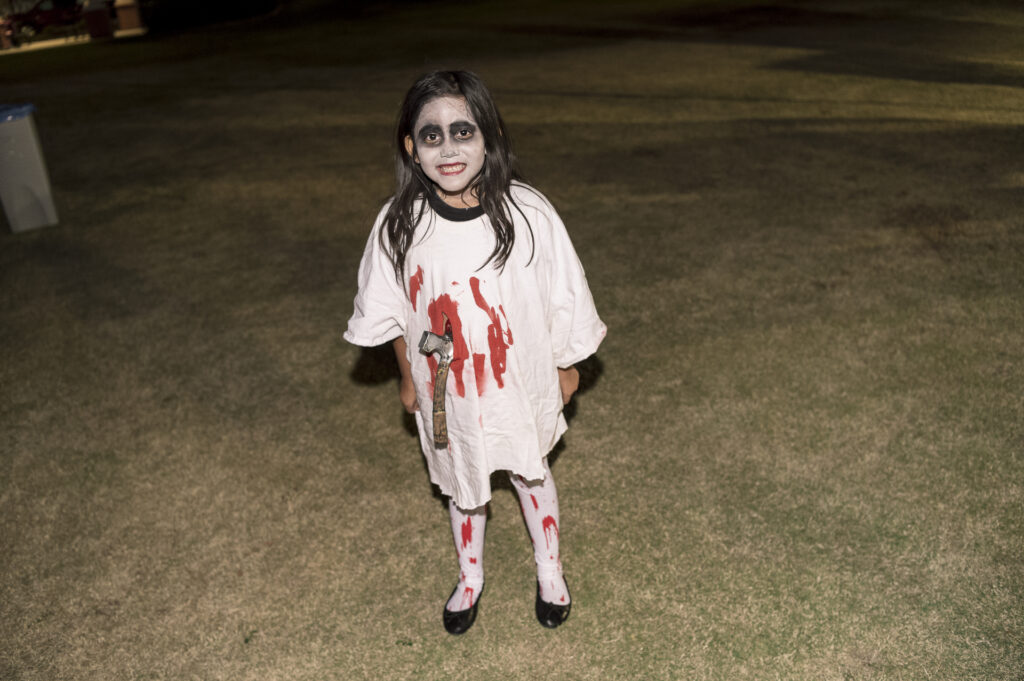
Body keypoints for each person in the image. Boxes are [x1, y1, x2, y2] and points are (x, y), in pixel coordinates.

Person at [344, 70, 606, 635]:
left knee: (530, 471)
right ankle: (470, 578)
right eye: (431, 136)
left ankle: (550, 569)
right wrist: (409, 375)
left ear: (489, 135)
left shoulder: (528, 214)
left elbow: (565, 292)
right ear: (412, 150)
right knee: (464, 481)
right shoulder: (399, 226)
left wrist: (567, 365)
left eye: (462, 131)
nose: (449, 148)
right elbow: (392, 309)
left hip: (519, 378)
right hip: (449, 393)